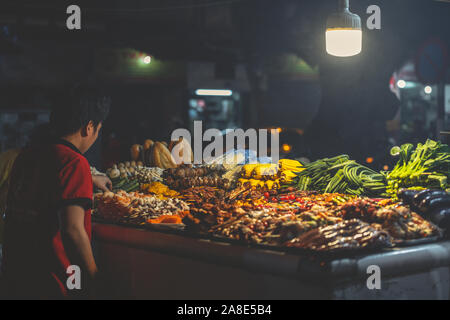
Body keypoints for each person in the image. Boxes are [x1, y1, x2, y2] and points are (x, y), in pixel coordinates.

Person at [1, 87, 110, 299]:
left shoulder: (27, 155)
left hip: (15, 277)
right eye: (98, 130)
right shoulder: (73, 162)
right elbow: (72, 230)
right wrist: (94, 280)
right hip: (52, 282)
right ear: (89, 127)